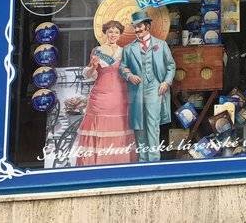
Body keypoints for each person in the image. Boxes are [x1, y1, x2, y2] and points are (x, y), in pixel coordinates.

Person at [75, 20, 137, 166]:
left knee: (120, 128)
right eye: (110, 32)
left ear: (120, 35)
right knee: (98, 128)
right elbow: (89, 75)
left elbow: (130, 73)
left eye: (116, 32)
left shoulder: (124, 52)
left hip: (120, 97)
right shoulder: (97, 51)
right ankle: (96, 165)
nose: (113, 35)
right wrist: (93, 66)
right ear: (105, 33)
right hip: (100, 97)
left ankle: (119, 165)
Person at [119, 10, 176, 162]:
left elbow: (171, 66)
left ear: (147, 26)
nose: (137, 30)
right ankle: (142, 160)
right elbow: (123, 67)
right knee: (139, 125)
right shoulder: (128, 48)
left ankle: (154, 160)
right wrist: (130, 76)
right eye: (135, 27)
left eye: (140, 26)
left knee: (152, 124)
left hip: (155, 88)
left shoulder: (161, 45)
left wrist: (166, 82)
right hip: (136, 91)